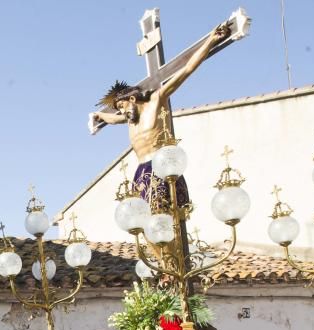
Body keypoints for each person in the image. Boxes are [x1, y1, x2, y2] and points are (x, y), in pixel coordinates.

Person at [89, 24, 229, 208]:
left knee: (172, 216)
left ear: (132, 98)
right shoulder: (130, 119)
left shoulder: (156, 100)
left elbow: (187, 69)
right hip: (142, 171)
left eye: (122, 106)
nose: (121, 112)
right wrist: (98, 115)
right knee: (146, 220)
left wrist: (210, 41)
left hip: (164, 166)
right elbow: (113, 119)